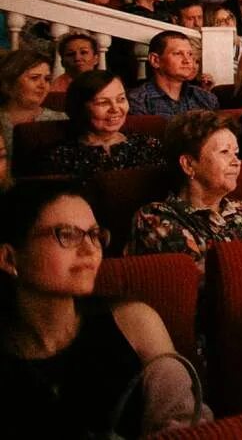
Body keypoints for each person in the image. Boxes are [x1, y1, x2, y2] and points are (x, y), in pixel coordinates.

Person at [0, 182, 208, 436]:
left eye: (94, 235)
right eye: (66, 234)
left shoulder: (134, 322)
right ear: (10, 258)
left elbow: (185, 424)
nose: (90, 250)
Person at [126, 111, 242, 271]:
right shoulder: (156, 218)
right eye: (224, 152)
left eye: (236, 153)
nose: (236, 162)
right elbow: (199, 283)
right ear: (188, 164)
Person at [41, 70, 163, 179]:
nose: (115, 109)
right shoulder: (60, 157)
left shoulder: (148, 145)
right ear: (80, 108)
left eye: (121, 99)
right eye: (103, 103)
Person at [127, 32, 219, 117]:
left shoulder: (206, 98)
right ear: (155, 60)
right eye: (178, 53)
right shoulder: (138, 100)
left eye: (190, 54)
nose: (187, 60)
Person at [0, 49, 64, 153]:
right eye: (34, 78)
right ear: (10, 83)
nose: (42, 85)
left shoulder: (60, 121)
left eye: (47, 79)